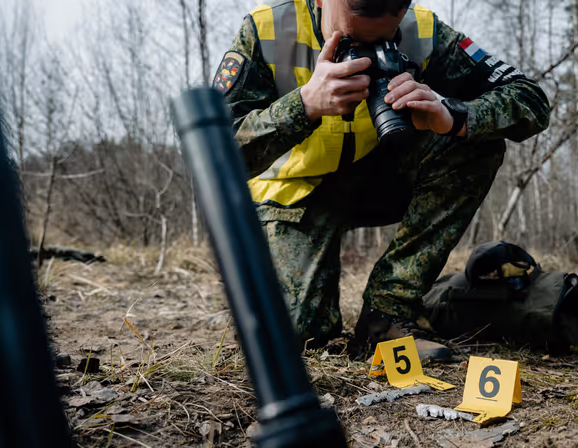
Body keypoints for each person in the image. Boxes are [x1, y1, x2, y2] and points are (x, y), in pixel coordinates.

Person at [214, 0, 550, 361]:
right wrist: (304, 105)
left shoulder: (423, 31)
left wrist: (452, 114)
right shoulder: (268, 31)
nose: (366, 54)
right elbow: (214, 153)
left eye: (383, 42)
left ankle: (387, 314)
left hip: (380, 180)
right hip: (294, 194)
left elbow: (530, 98)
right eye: (349, 41)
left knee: (474, 144)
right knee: (294, 343)